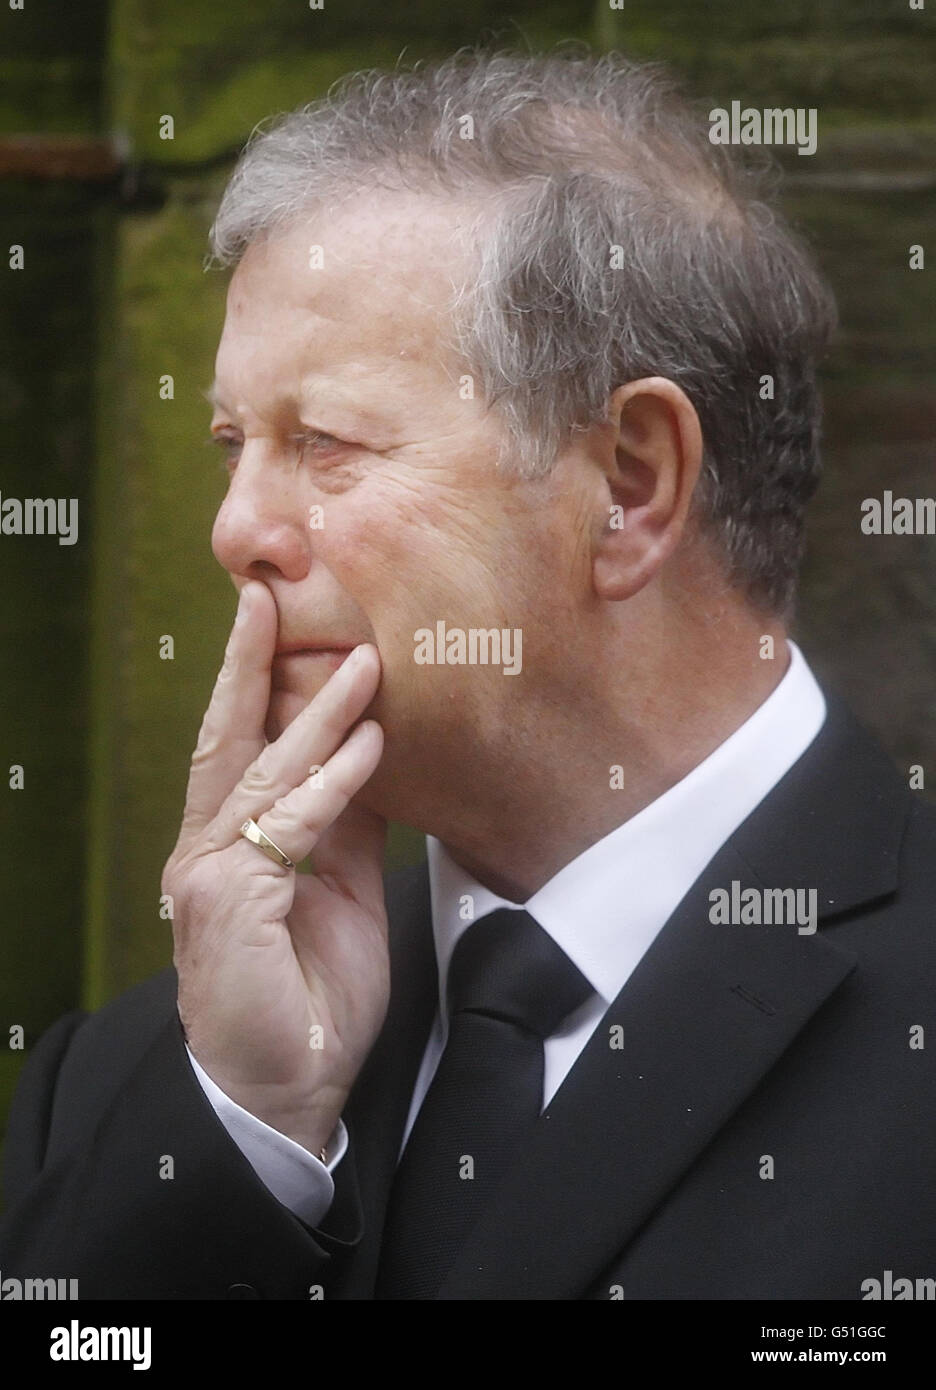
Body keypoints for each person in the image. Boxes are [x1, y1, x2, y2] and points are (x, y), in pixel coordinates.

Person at [2, 48, 934, 1301]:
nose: (235, 529)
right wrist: (247, 1128)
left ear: (630, 485)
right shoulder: (152, 1081)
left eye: (323, 442)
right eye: (233, 444)